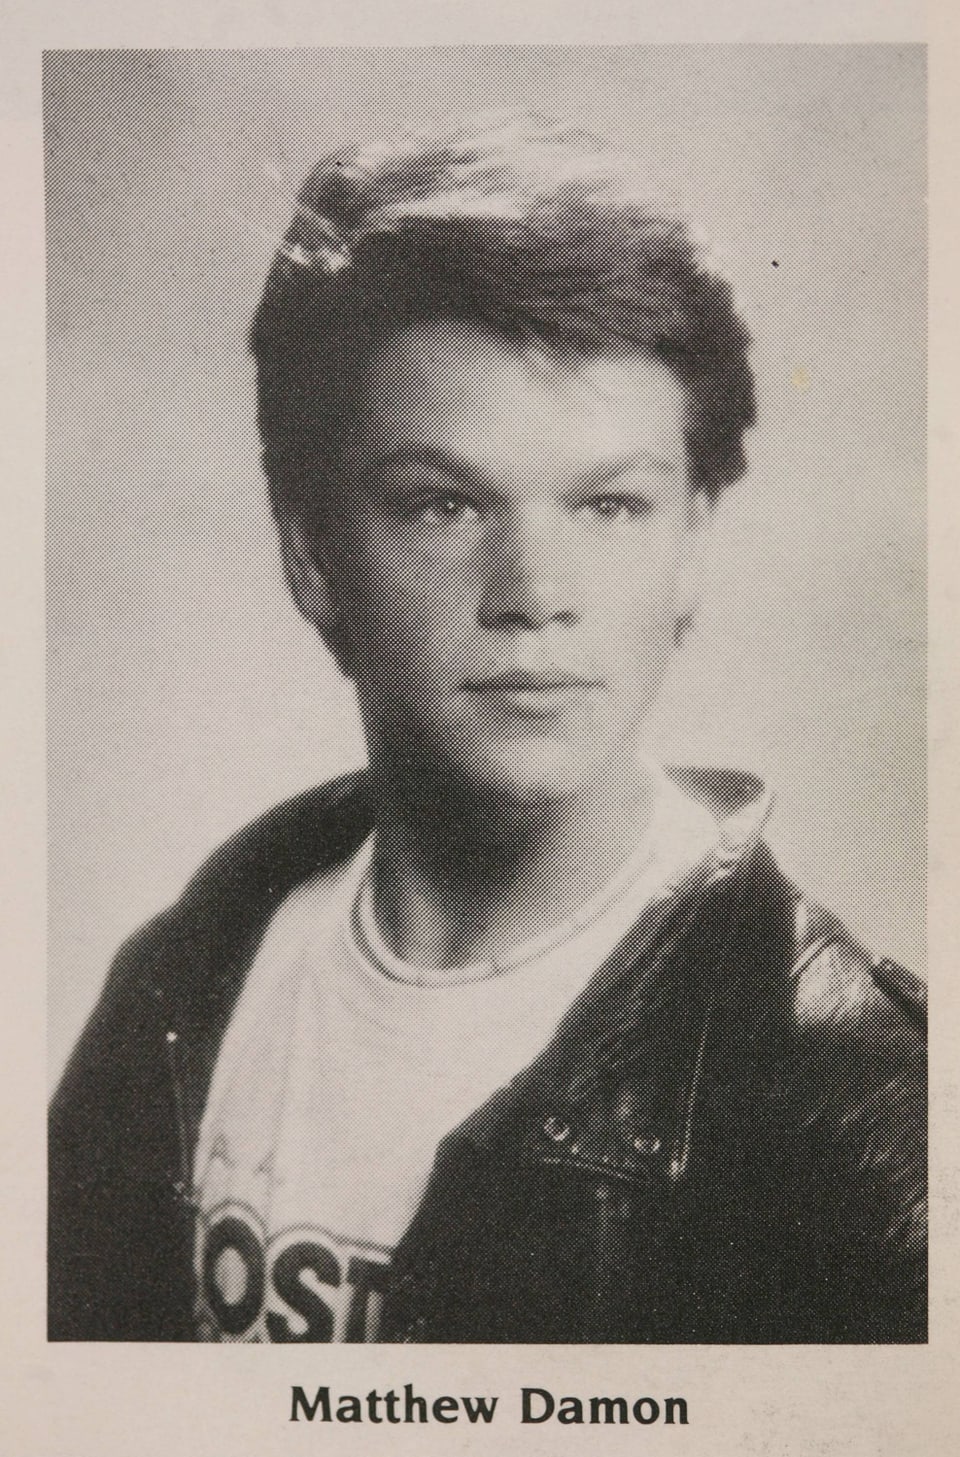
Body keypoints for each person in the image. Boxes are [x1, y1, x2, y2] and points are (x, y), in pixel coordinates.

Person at [49, 111, 925, 1343]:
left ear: (693, 552)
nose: (534, 590)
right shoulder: (181, 981)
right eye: (446, 503)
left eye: (611, 504)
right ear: (312, 556)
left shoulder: (863, 1110)